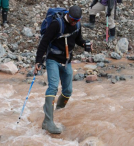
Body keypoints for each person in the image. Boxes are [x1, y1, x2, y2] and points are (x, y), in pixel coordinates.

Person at [34, 5, 92, 134]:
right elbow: (44, 42)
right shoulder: (56, 24)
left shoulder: (77, 24)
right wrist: (38, 61)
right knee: (53, 87)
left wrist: (84, 44)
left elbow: (78, 39)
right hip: (53, 59)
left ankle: (58, 111)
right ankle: (48, 122)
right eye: (73, 19)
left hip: (66, 60)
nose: (74, 22)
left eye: (77, 20)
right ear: (68, 16)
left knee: (68, 90)